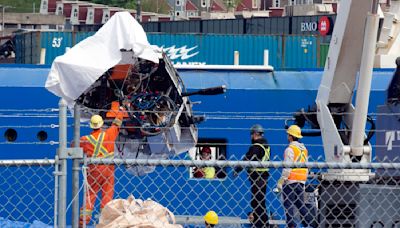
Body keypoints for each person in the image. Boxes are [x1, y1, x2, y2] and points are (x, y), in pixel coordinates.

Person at [79, 108, 125, 226]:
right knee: (107, 195)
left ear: (91, 126)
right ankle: (105, 223)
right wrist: (121, 110)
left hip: (93, 170)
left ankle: (82, 222)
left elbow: (73, 145)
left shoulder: (85, 140)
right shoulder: (109, 134)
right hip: (108, 169)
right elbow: (117, 124)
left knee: (90, 195)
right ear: (102, 124)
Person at [276, 125, 316, 228]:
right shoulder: (304, 150)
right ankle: (310, 224)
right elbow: (306, 166)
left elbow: (287, 167)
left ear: (290, 136)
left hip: (290, 181)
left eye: (288, 134)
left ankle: (291, 226)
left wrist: (281, 180)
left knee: (288, 205)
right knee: (301, 205)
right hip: (301, 181)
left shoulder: (290, 149)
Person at [235, 124, 270, 228]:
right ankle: (264, 223)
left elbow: (247, 159)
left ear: (255, 134)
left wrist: (238, 169)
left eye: (251, 135)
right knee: (260, 202)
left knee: (256, 202)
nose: (251, 137)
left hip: (257, 178)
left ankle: (260, 224)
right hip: (263, 177)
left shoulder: (256, 147)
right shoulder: (266, 146)